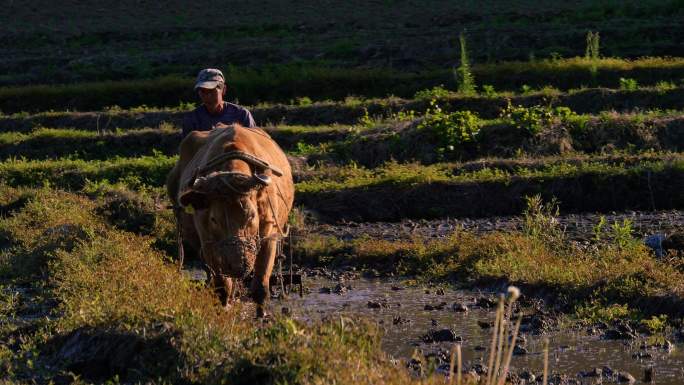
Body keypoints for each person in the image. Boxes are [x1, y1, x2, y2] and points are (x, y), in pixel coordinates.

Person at [181, 68, 256, 138]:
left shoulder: (241, 115)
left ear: (223, 90)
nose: (207, 95)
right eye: (203, 91)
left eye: (211, 90)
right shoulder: (192, 119)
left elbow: (254, 143)